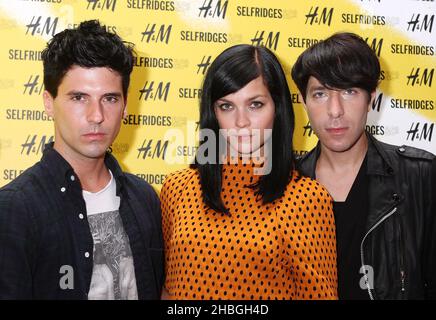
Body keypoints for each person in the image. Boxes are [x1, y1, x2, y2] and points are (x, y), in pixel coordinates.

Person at [0, 20, 164, 299]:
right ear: (48, 102)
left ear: (125, 106)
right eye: (79, 98)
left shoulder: (144, 198)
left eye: (110, 99)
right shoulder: (15, 208)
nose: (96, 115)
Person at [160, 44, 338, 300]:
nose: (241, 121)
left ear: (277, 108)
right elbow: (170, 289)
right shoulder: (178, 188)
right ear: (212, 112)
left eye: (255, 104)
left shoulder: (307, 198)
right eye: (227, 106)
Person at [291, 32, 436, 299]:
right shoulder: (285, 186)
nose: (335, 110)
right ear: (304, 102)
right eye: (320, 93)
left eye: (349, 91)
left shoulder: (420, 176)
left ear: (371, 98)